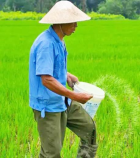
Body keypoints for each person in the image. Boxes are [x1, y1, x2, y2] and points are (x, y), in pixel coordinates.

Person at [29, 1, 98, 157]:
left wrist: (66, 74)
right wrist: (74, 95)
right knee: (51, 152)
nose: (76, 26)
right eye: (73, 22)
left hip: (62, 100)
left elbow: (51, 67)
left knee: (89, 130)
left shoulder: (59, 40)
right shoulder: (46, 43)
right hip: (48, 106)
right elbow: (46, 79)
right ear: (62, 22)